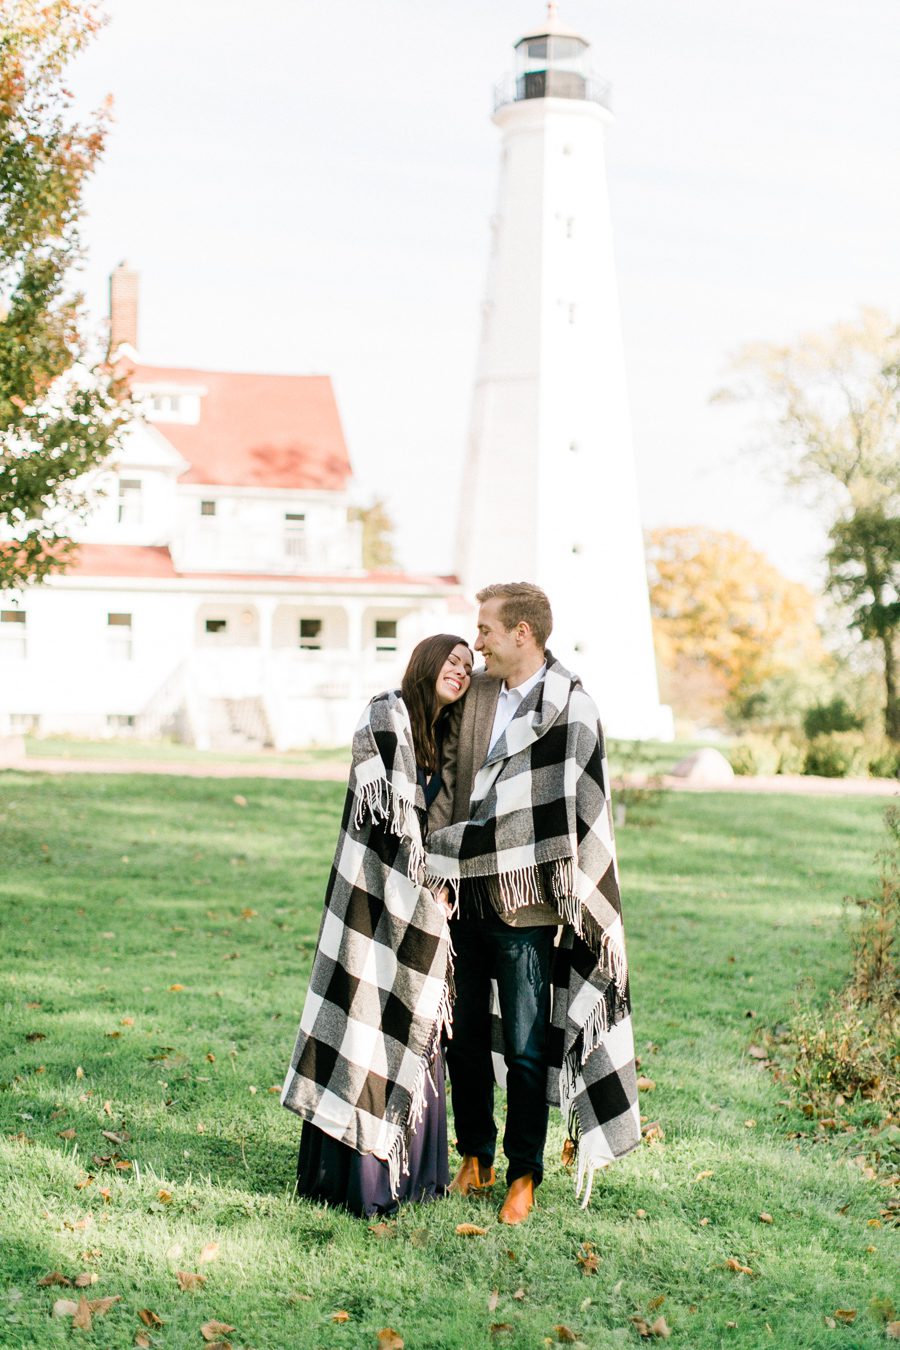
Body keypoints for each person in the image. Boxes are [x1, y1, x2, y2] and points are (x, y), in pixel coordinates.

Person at [425, 583, 641, 1225]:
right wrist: (435, 862)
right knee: (460, 1039)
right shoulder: (476, 698)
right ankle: (476, 1155)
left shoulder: (572, 707)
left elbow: (585, 811)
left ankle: (524, 1171)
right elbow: (449, 787)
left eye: (486, 628)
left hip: (530, 907)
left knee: (524, 1046)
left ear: (523, 632)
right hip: (461, 892)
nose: (477, 639)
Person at [281, 634, 473, 1217]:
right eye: (452, 659)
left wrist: (438, 885)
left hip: (422, 900)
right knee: (361, 1019)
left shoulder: (447, 738)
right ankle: (355, 1177)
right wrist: (423, 884)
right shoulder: (386, 712)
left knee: (414, 1015)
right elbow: (389, 814)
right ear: (425, 661)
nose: (461, 671)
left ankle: (412, 1172)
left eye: (469, 665)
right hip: (372, 893)